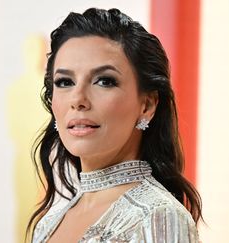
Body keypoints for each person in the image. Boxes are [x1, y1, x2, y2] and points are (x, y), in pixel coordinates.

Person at [27, 7, 202, 243]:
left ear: (147, 104)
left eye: (104, 81)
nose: (78, 100)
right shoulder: (48, 225)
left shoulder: (158, 215)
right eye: (65, 82)